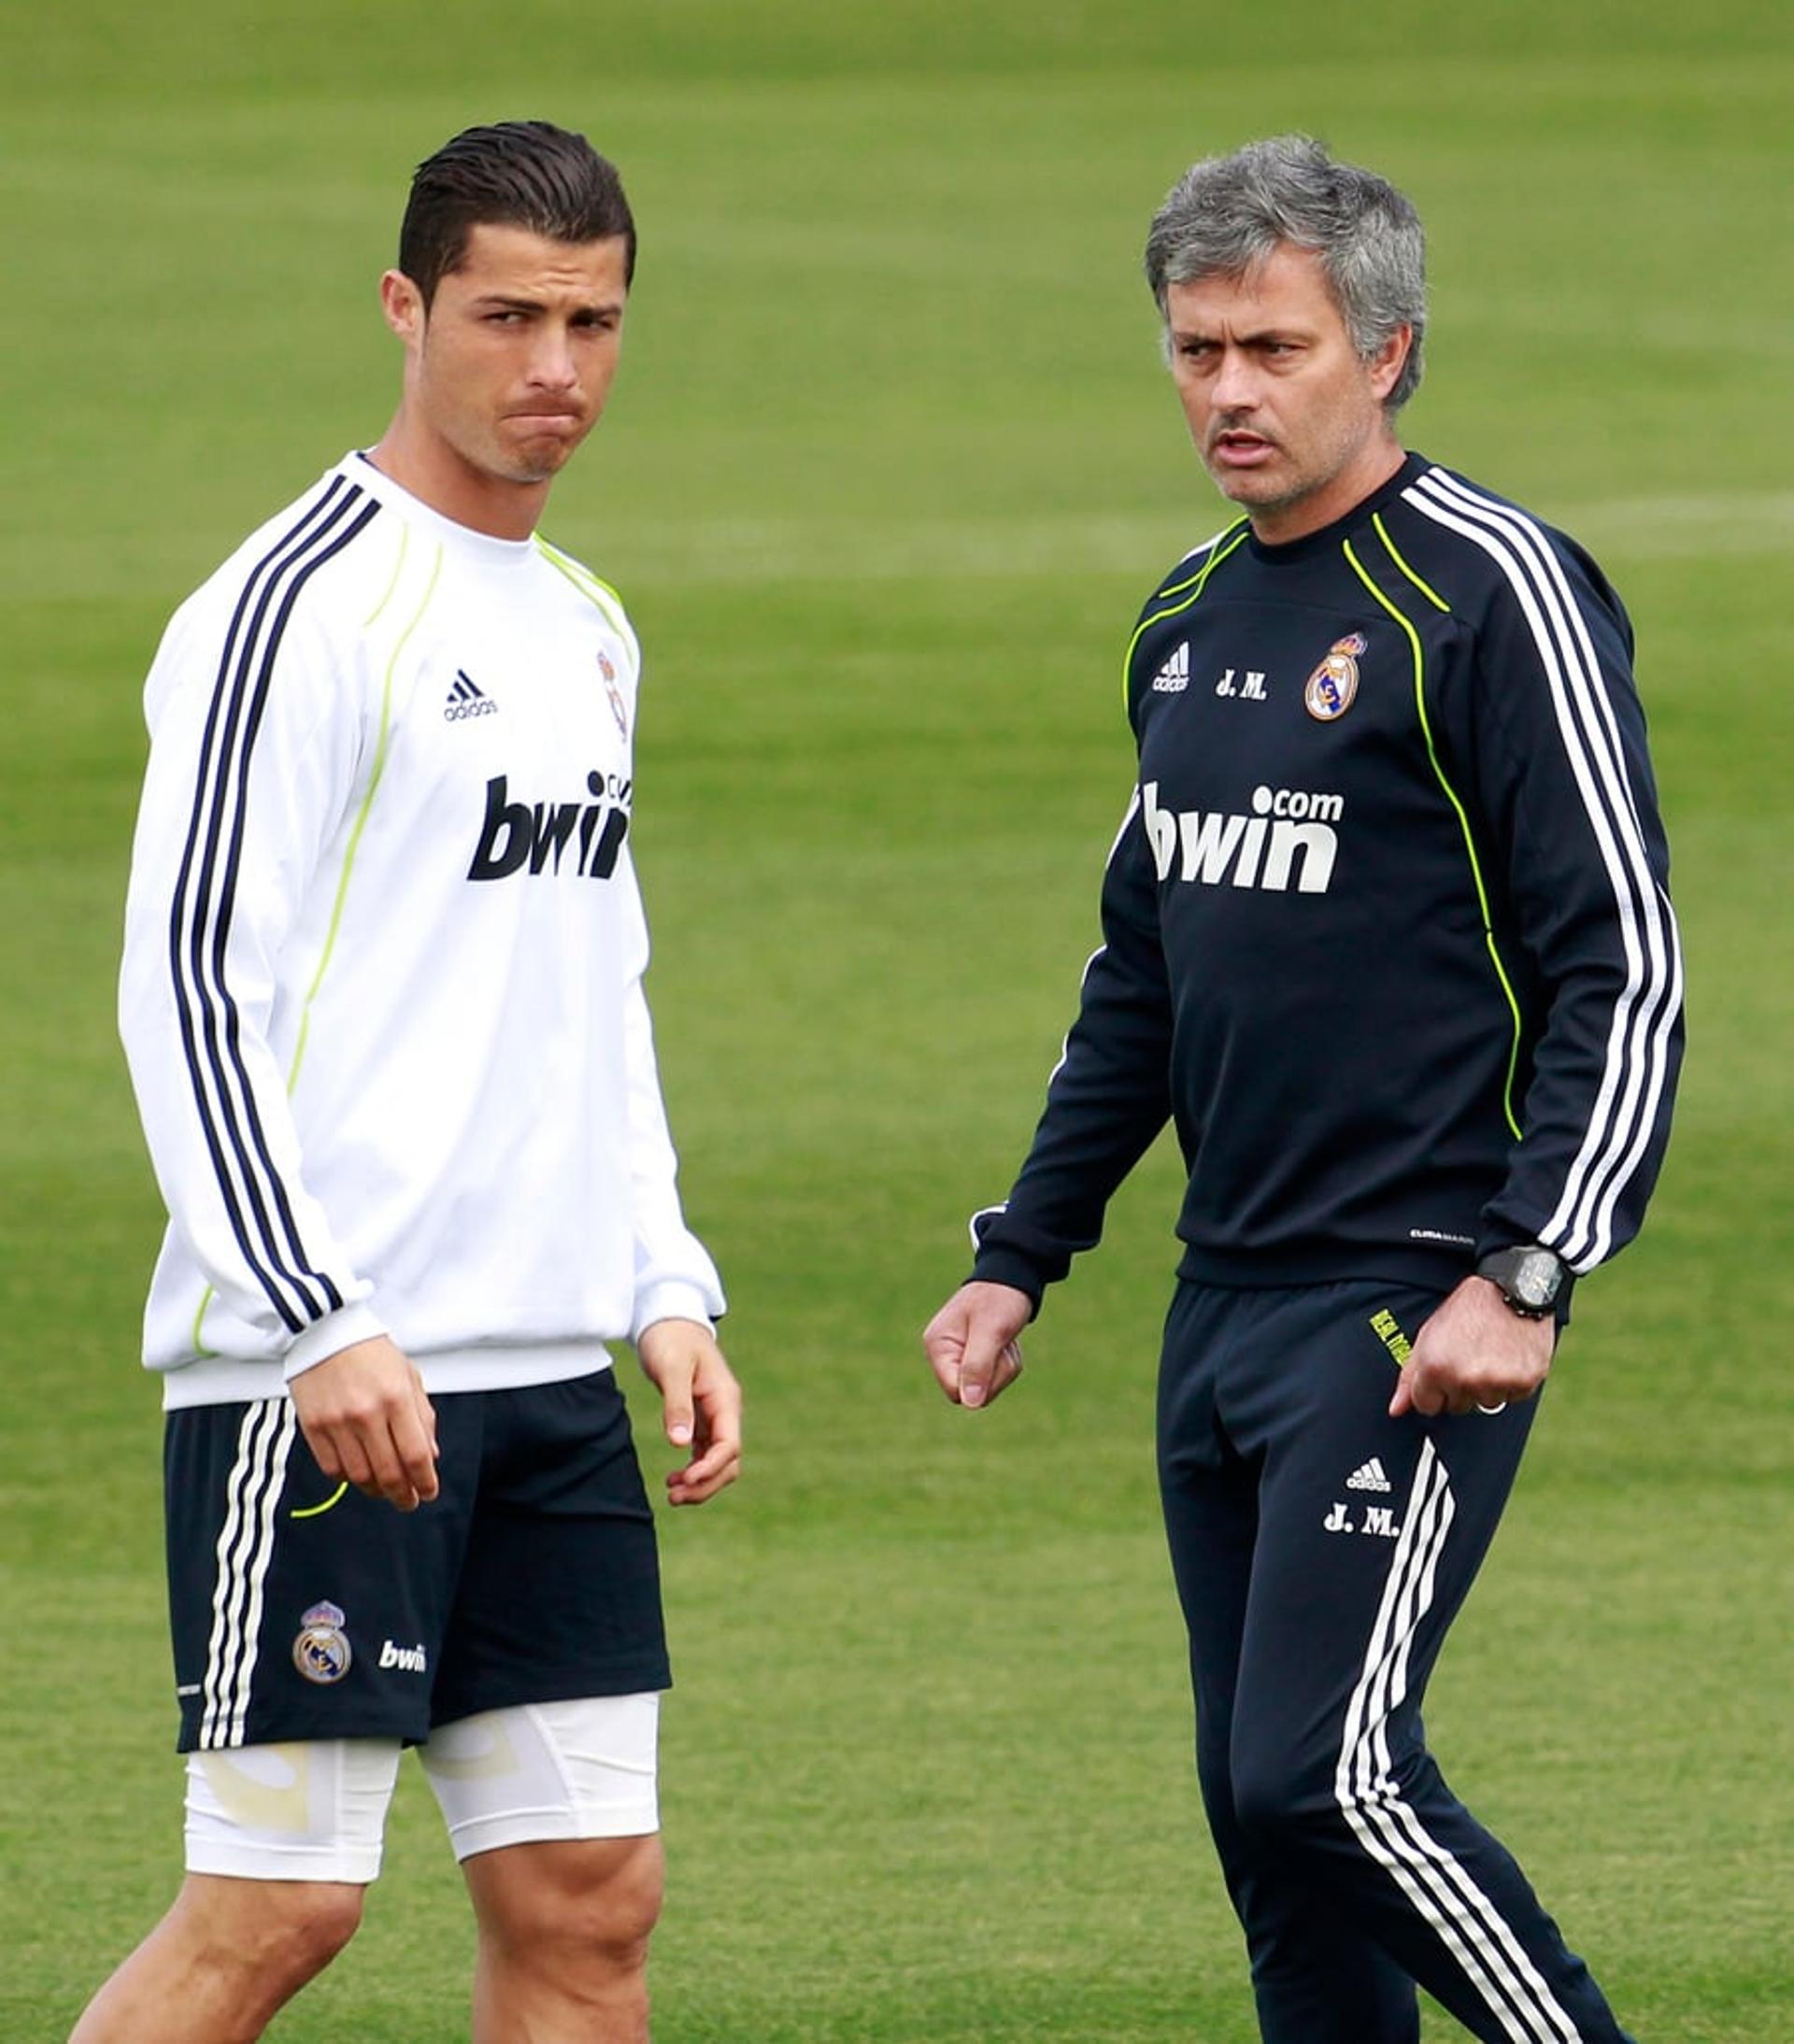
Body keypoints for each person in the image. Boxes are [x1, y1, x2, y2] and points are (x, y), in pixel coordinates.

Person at [923, 135, 1681, 2044]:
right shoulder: (1184, 618)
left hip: (1404, 1296)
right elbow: (1146, 967)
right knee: (1276, 1848)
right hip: (1222, 1305)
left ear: (1388, 351)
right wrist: (1025, 1251)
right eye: (1197, 351)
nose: (1231, 393)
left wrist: (1529, 1266)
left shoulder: (1492, 591)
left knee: (1325, 1777)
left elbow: (1626, 958)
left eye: (1273, 346)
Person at [79, 121, 741, 2044]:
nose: (557, 366)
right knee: (274, 1907)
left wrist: (662, 1277)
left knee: (591, 1902)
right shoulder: (290, 609)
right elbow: (193, 984)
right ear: (406, 307)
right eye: (508, 315)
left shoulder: (587, 628)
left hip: (545, 1375)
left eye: (595, 320)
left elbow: (591, 983)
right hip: (337, 1369)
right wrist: (314, 1312)